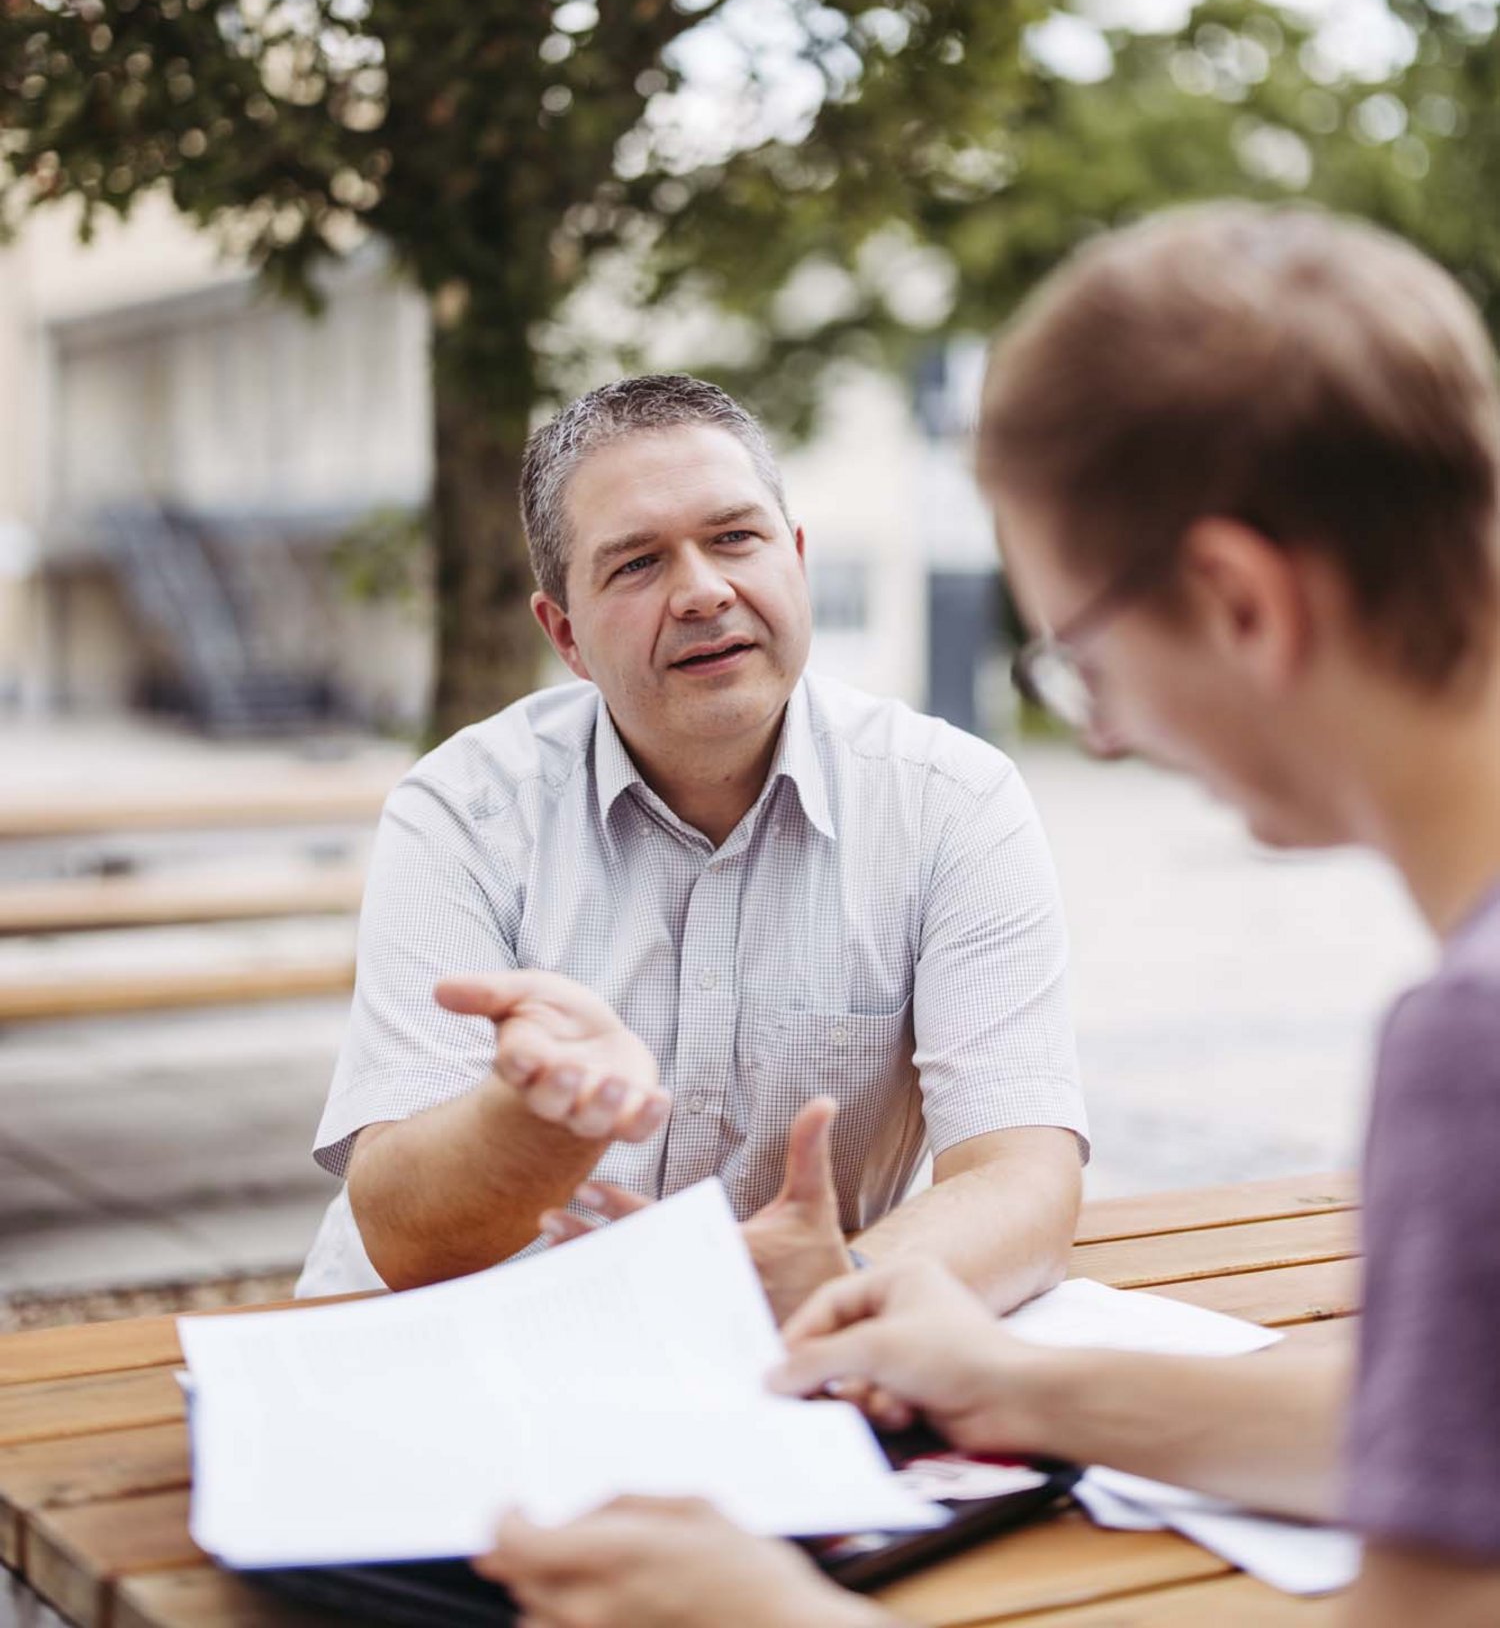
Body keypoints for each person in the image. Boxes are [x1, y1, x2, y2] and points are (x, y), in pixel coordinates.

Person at [476, 206, 1500, 1628]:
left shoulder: (1472, 1046)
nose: (1115, 732)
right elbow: (1445, 1430)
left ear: (1238, 604)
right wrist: (1021, 1383)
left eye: (1081, 655)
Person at [298, 373, 1086, 1311]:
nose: (704, 591)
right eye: (635, 563)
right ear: (566, 635)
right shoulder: (462, 812)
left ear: (794, 557)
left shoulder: (952, 802)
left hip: (793, 1344)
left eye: (735, 538)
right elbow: (401, 1234)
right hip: (482, 1347)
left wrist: (843, 1284)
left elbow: (1022, 1179)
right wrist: (533, 1119)